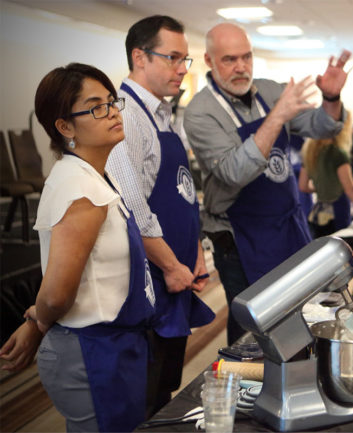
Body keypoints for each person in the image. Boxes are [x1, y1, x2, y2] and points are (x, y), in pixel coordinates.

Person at [184, 23, 351, 344]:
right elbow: (234, 171)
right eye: (229, 60)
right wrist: (277, 118)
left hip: (286, 227)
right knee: (252, 326)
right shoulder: (201, 112)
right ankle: (244, 384)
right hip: (238, 237)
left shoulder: (271, 91)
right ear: (208, 60)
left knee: (295, 318)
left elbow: (323, 127)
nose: (241, 67)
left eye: (246, 57)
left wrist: (331, 97)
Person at [28, 63, 156, 432]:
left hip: (111, 345)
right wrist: (37, 321)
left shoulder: (93, 174)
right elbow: (55, 295)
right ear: (65, 127)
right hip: (91, 353)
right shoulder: (81, 191)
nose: (113, 112)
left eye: (111, 101)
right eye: (96, 106)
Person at [105, 15, 215, 416]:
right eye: (173, 58)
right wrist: (171, 265)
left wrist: (197, 254)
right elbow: (133, 209)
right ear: (140, 57)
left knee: (166, 385)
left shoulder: (163, 113)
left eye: (185, 60)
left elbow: (183, 191)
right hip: (151, 282)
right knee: (144, 395)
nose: (183, 70)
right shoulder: (125, 117)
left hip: (177, 275)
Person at [298, 110, 353, 237]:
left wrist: (322, 187)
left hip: (317, 212)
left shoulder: (310, 152)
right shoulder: (338, 154)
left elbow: (303, 186)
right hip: (337, 214)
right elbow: (350, 191)